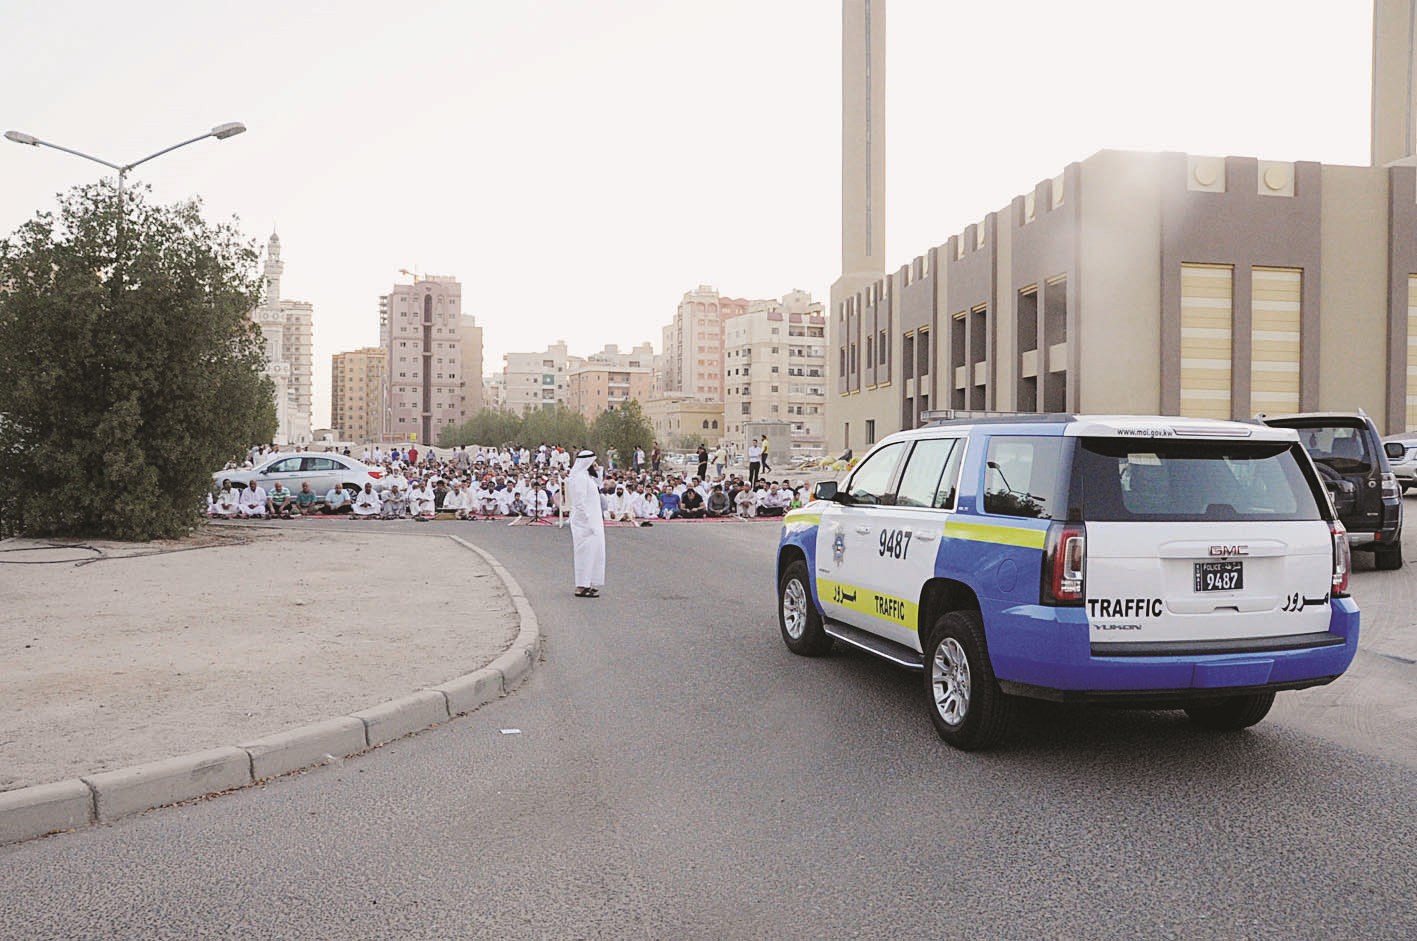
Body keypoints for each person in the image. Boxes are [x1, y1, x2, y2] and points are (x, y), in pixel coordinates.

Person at [566, 449, 606, 598]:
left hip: (592, 521)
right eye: (593, 461)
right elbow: (579, 503)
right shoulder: (579, 478)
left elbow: (599, 484)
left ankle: (588, 583)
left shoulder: (586, 476)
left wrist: (598, 469)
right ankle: (581, 586)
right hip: (585, 523)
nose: (594, 464)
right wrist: (588, 522)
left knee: (594, 553)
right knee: (585, 554)